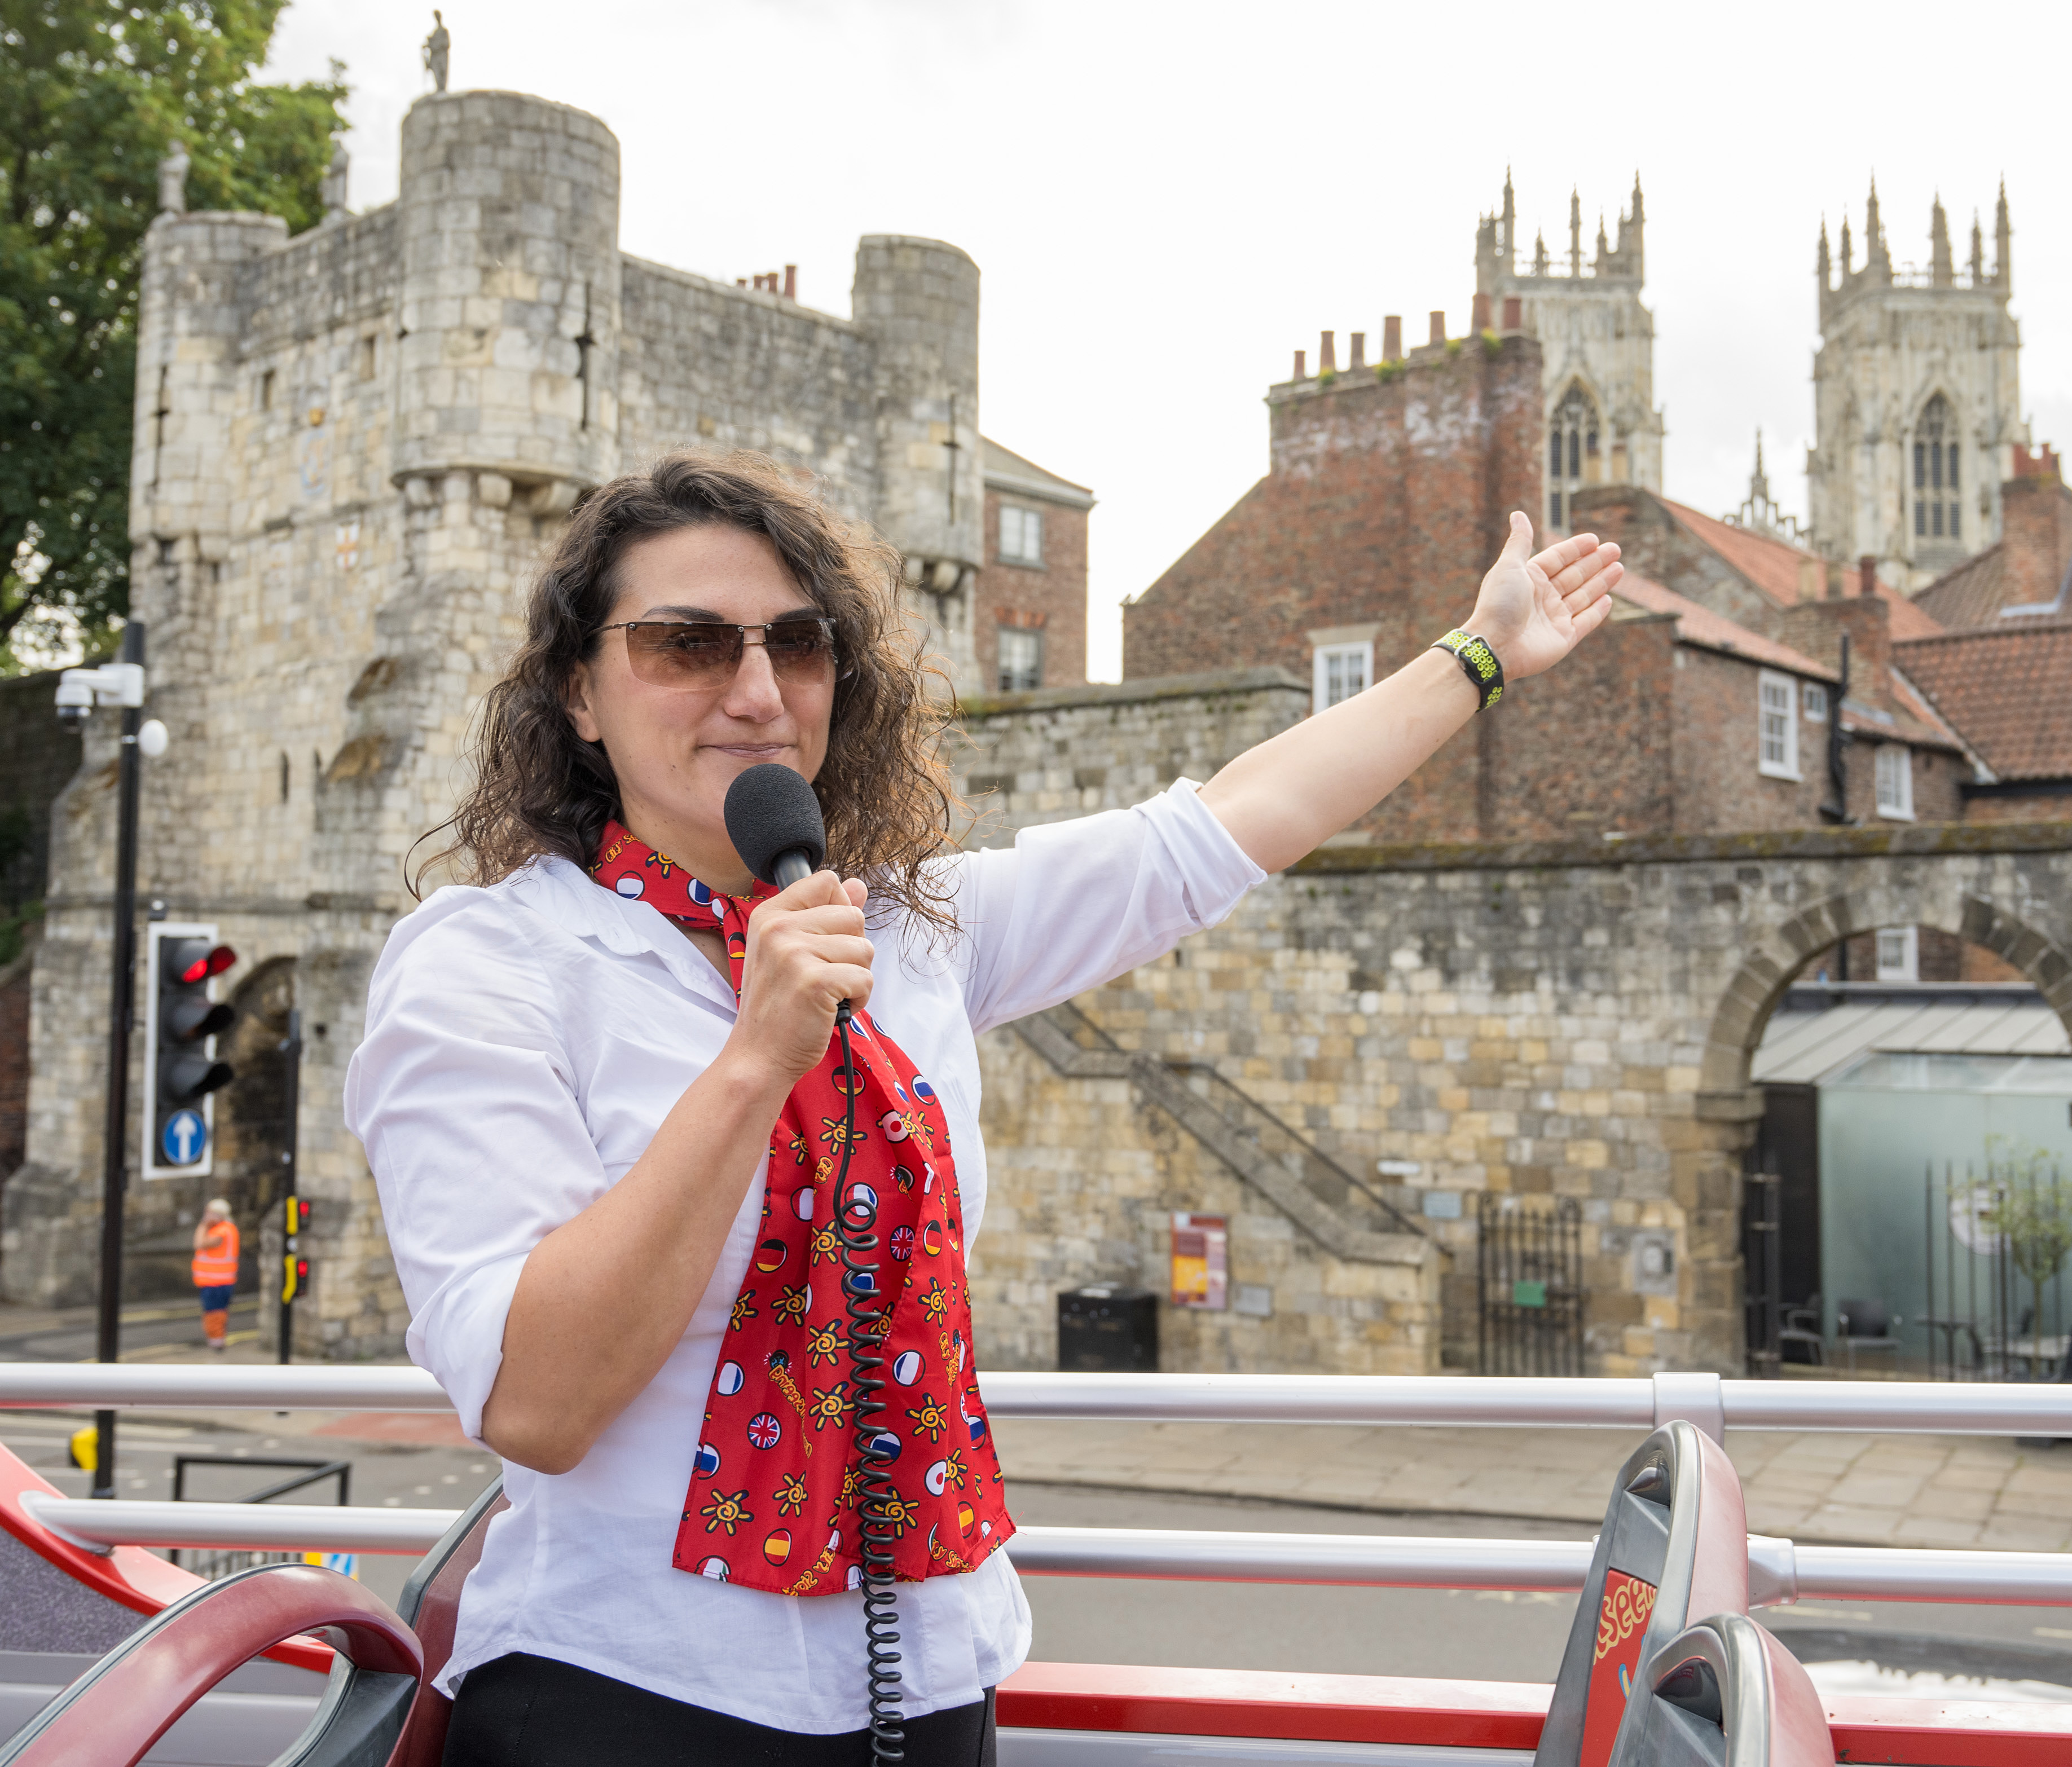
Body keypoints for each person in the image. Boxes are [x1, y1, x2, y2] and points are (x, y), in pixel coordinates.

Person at [346, 450, 1619, 1767]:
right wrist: (753, 1063)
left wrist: (1480, 652)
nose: (757, 691)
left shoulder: (908, 932)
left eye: (800, 642)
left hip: (930, 1682)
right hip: (625, 1692)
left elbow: (1218, 832)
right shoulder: (487, 964)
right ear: (580, 692)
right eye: (685, 645)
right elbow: (536, 1401)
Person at [192, 1198, 239, 1352]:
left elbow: (199, 1244)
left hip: (216, 1282)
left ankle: (217, 1343)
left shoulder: (222, 1230)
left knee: (214, 1313)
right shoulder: (227, 1228)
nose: (206, 1216)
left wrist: (203, 1224)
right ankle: (217, 1341)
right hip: (219, 1281)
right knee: (218, 1312)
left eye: (209, 1213)